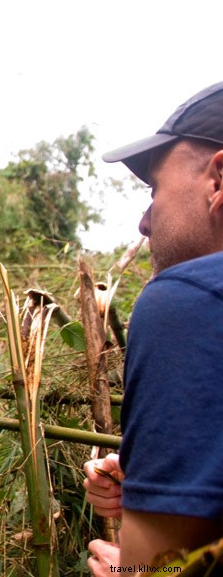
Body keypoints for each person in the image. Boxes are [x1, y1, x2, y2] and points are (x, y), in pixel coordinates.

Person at [83, 82, 223, 576]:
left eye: (155, 190)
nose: (144, 222)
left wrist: (129, 571)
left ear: (219, 179)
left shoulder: (186, 298)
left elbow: (158, 567)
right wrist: (158, 472)